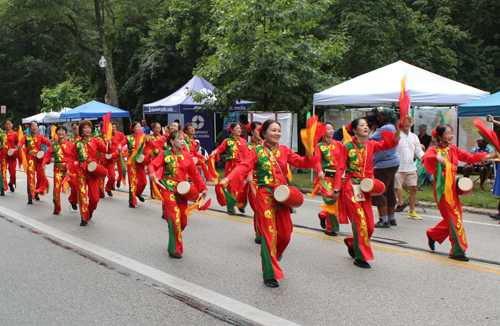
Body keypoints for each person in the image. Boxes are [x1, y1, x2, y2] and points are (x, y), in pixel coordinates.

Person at [222, 119, 317, 288]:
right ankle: (269, 273)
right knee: (269, 234)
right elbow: (243, 167)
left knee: (286, 234)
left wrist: (310, 152)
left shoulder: (285, 151)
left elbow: (303, 163)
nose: (277, 133)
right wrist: (228, 178)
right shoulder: (256, 151)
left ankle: (270, 255)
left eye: (279, 130)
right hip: (265, 195)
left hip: (282, 195)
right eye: (273, 130)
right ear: (263, 133)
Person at [332, 118, 401, 268]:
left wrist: (399, 130)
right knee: (360, 223)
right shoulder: (347, 146)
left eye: (367, 126)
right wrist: (337, 188)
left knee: (369, 226)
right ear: (355, 131)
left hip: (366, 188)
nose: (366, 128)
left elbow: (390, 144)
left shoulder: (371, 145)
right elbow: (340, 168)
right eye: (362, 125)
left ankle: (352, 242)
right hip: (351, 187)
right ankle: (360, 257)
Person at [425, 124, 498, 261]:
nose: (451, 135)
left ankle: (434, 234)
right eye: (447, 133)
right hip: (442, 187)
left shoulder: (453, 148)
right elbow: (427, 157)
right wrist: (437, 158)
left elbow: (470, 157)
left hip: (453, 186)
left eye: (451, 133)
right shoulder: (433, 149)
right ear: (439, 136)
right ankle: (457, 251)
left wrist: (490, 155)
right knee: (454, 218)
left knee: (455, 217)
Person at [148, 130, 208, 259]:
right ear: (171, 141)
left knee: (183, 222)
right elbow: (152, 165)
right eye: (179, 139)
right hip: (168, 187)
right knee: (175, 218)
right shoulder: (165, 154)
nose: (182, 141)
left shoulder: (187, 156)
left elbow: (195, 174)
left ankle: (173, 236)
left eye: (183, 139)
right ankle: (175, 250)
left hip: (183, 190)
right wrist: (152, 172)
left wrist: (203, 188)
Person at [72, 120, 111, 226]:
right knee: (82, 195)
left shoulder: (96, 141)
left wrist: (109, 143)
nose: (87, 129)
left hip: (94, 171)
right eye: (85, 128)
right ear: (81, 131)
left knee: (95, 198)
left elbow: (105, 150)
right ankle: (83, 218)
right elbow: (74, 158)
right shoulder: (78, 144)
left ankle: (90, 210)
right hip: (81, 171)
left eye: (89, 127)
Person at [211, 122, 248, 215]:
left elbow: (250, 153)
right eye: (237, 128)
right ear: (231, 130)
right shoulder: (227, 141)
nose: (239, 130)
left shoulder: (244, 141)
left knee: (243, 186)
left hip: (241, 166)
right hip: (231, 165)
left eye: (240, 128)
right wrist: (215, 152)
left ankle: (241, 204)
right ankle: (231, 208)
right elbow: (220, 149)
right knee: (231, 187)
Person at [371, 109, 400, 228]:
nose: (379, 118)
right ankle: (391, 217)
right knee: (389, 191)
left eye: (380, 116)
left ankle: (384, 219)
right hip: (392, 162)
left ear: (385, 116)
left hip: (384, 164)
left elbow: (370, 139)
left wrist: (373, 128)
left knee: (379, 190)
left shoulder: (386, 128)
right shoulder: (393, 127)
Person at [315, 122, 345, 236]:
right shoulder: (319, 146)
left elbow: (345, 157)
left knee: (339, 201)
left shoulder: (338, 144)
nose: (332, 131)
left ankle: (323, 214)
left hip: (337, 177)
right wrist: (319, 171)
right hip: (326, 177)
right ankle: (330, 228)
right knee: (330, 200)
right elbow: (317, 160)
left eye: (332, 129)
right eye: (328, 129)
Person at [41, 126, 78, 215]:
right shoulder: (53, 145)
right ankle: (56, 208)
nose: (61, 133)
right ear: (56, 133)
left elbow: (75, 156)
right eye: (59, 131)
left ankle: (73, 200)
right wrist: (43, 163)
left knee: (76, 187)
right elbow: (47, 155)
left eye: (63, 131)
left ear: (65, 133)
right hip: (58, 169)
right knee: (56, 189)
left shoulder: (71, 144)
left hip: (69, 169)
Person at [394, 116, 425, 219]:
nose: (407, 124)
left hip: (410, 166)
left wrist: (423, 157)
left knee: (413, 188)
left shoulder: (414, 137)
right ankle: (398, 203)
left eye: (408, 122)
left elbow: (418, 150)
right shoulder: (396, 135)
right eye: (404, 122)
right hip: (398, 166)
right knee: (396, 187)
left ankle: (411, 211)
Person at [19, 121, 52, 204]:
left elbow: (50, 144)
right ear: (30, 128)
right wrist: (20, 146)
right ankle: (30, 197)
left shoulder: (41, 137)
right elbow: (20, 143)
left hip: (38, 158)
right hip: (30, 157)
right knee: (31, 176)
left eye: (36, 126)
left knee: (41, 176)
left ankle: (36, 192)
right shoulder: (26, 136)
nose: (34, 127)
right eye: (32, 126)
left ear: (38, 128)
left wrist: (53, 149)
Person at [241, 121, 262, 244]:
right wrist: (249, 176)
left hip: (267, 180)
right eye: (258, 129)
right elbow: (246, 162)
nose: (260, 132)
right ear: (252, 132)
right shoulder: (247, 146)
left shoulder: (266, 145)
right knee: (258, 208)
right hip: (253, 180)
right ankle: (260, 233)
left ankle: (268, 230)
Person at [126, 121, 148, 208]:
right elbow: (120, 143)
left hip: (140, 160)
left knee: (144, 181)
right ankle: (132, 201)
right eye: (137, 127)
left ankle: (138, 193)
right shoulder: (128, 137)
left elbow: (149, 146)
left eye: (140, 127)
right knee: (133, 181)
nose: (139, 129)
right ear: (133, 129)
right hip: (131, 160)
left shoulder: (144, 137)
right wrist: (119, 147)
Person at [0, 119, 19, 193]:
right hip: (3, 154)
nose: (8, 125)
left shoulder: (15, 134)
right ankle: (3, 188)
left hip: (12, 154)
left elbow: (19, 143)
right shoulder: (2, 133)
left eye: (9, 124)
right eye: (6, 124)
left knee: (13, 172)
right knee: (3, 171)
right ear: (4, 125)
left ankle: (11, 183)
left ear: (12, 125)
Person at [112, 122, 127, 188]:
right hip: (112, 155)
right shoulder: (108, 136)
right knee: (112, 173)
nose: (113, 128)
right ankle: (112, 185)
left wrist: (122, 148)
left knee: (122, 170)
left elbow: (125, 141)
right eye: (112, 127)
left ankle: (118, 180)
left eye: (114, 127)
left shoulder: (120, 134)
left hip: (120, 154)